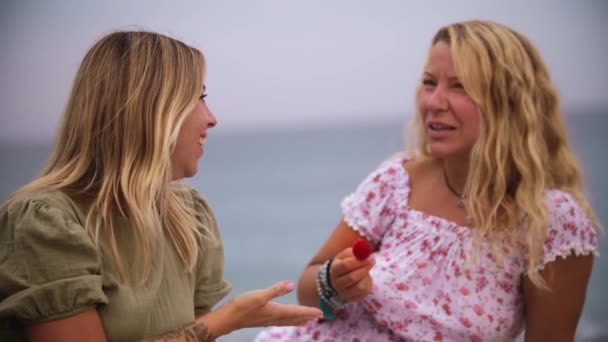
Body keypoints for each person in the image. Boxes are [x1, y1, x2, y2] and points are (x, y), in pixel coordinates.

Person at [255, 19, 601, 341]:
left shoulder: (553, 222)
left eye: (460, 87)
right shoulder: (396, 181)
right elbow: (308, 291)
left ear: (507, 102)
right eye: (429, 83)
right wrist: (333, 282)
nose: (434, 102)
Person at [0, 30, 322, 341]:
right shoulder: (47, 223)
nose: (211, 118)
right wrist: (225, 320)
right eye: (198, 98)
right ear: (152, 111)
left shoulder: (189, 216)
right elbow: (206, 329)